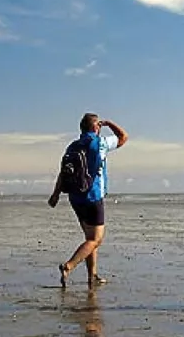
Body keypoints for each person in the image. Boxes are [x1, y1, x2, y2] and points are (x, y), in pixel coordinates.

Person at [47, 113, 128, 288]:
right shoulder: (100, 144)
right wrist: (109, 123)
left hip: (75, 198)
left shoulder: (72, 146)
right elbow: (123, 137)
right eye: (98, 124)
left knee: (89, 238)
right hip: (93, 197)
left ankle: (92, 276)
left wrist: (55, 194)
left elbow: (63, 172)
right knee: (95, 240)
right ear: (95, 127)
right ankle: (69, 266)